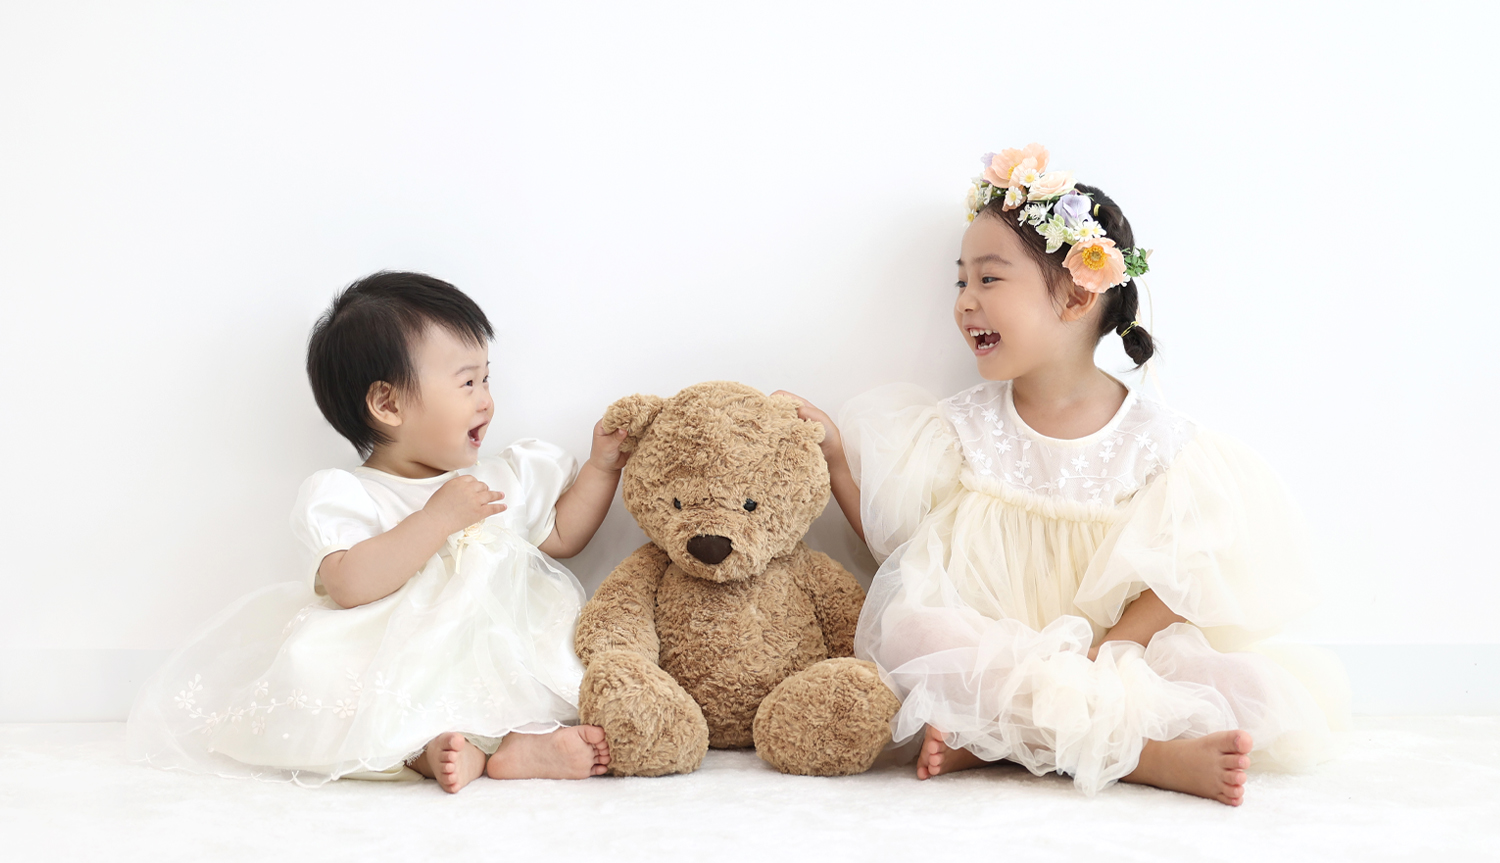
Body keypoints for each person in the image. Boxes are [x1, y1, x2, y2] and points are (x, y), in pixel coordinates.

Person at [779, 145, 1347, 806]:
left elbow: (1183, 578)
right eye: (961, 282)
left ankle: (1001, 742)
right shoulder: (962, 429)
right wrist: (836, 460)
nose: (966, 302)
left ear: (1078, 294)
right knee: (917, 630)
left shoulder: (1158, 443)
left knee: (1234, 688)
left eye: (989, 279)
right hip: (996, 646)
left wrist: (1100, 659)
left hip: (1114, 652)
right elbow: (899, 546)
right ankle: (1139, 756)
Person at [128, 271, 619, 791]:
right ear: (388, 404)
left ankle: (517, 746)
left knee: (532, 672)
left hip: (497, 650)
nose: (486, 401)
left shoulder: (497, 478)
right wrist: (436, 520)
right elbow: (348, 585)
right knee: (339, 686)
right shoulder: (351, 495)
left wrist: (602, 468)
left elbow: (561, 536)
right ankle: (430, 751)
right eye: (467, 382)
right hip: (402, 660)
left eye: (486, 379)